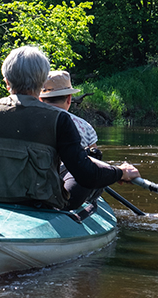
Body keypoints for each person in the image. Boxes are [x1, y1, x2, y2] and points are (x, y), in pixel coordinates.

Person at [0, 46, 140, 212]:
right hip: (38, 203)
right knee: (92, 156)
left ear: (6, 82)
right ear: (42, 83)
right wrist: (119, 172)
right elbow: (86, 174)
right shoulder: (60, 119)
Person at [39, 70, 107, 210]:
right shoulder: (85, 127)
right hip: (72, 185)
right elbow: (95, 163)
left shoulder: (33, 121)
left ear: (40, 99)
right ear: (69, 99)